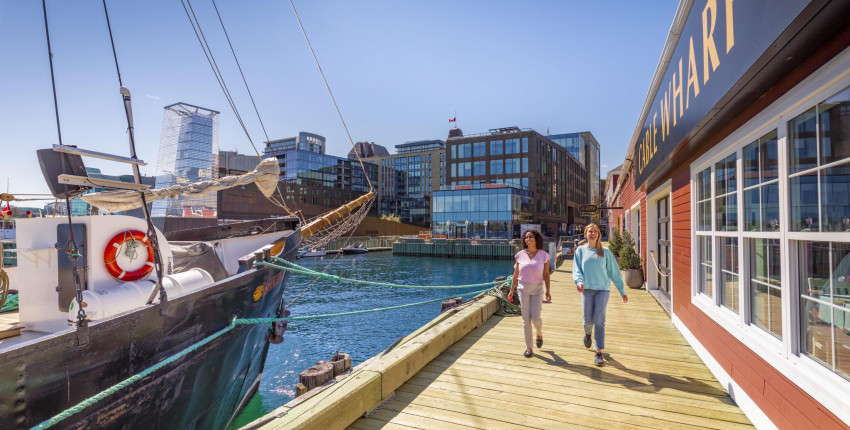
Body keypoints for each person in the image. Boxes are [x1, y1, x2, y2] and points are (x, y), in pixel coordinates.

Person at [573, 223, 627, 366]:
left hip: (603, 289)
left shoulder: (605, 252)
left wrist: (622, 291)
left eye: (595, 231)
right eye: (590, 231)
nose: (593, 233)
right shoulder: (580, 251)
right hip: (587, 289)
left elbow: (614, 273)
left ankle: (599, 351)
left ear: (598, 234)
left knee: (600, 319)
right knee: (588, 320)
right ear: (585, 234)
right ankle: (588, 334)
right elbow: (577, 269)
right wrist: (578, 282)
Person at [507, 230, 551, 357]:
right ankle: (529, 347)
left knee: (535, 318)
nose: (528, 239)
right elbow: (516, 274)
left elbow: (546, 274)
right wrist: (511, 290)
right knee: (526, 319)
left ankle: (539, 332)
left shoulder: (544, 255)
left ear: (536, 239)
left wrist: (548, 291)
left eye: (530, 236)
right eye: (526, 237)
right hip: (522, 288)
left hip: (537, 289)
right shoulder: (519, 255)